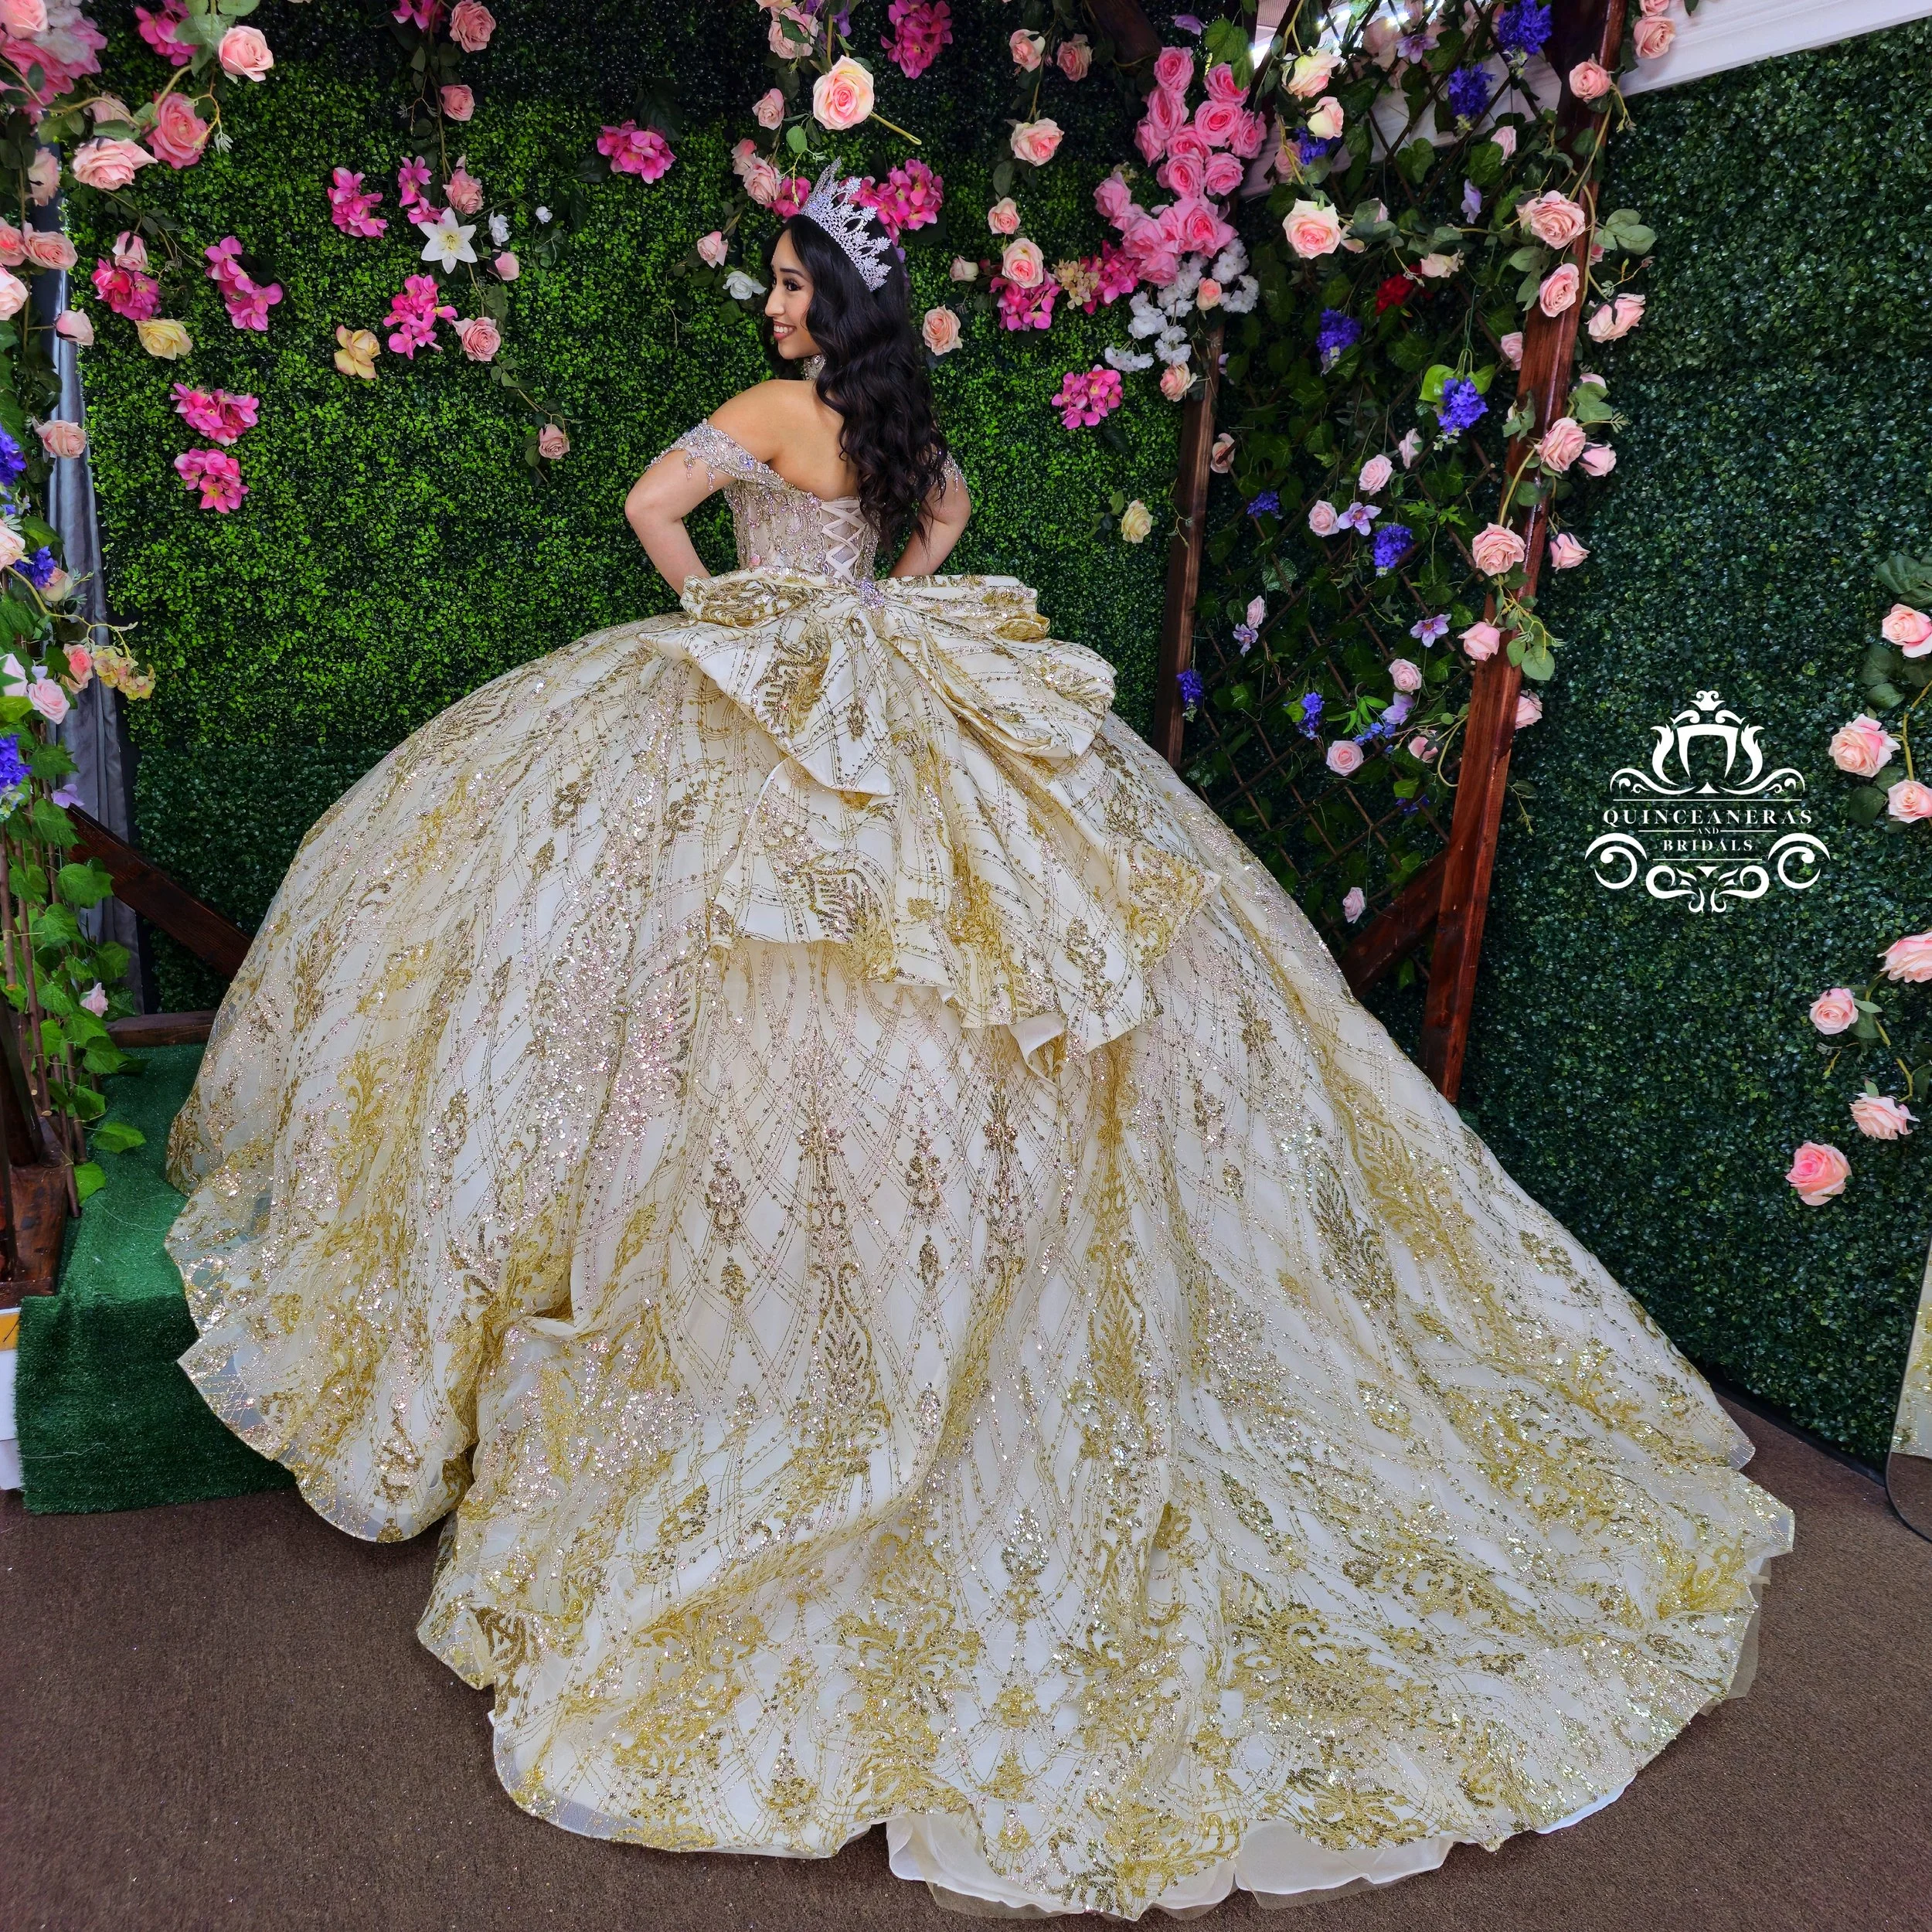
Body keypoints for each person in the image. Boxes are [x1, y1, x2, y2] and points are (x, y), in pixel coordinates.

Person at [165, 168, 1791, 1919]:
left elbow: (652, 500)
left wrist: (725, 597)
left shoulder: (775, 410)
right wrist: (855, 603)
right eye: (781, 284)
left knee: (675, 981)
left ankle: (767, 1261)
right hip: (899, 678)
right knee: (974, 955)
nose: (779, 306)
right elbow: (934, 530)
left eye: (794, 282)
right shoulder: (890, 418)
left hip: (767, 680)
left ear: (829, 300)